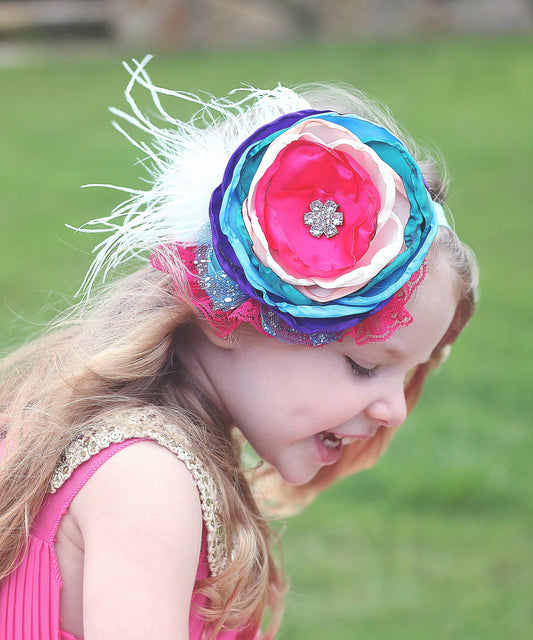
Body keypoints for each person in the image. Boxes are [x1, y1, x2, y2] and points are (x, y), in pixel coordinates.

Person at [0, 56, 477, 640]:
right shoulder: (149, 479)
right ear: (230, 319)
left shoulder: (136, 450)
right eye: (364, 365)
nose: (394, 410)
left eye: (405, 377)